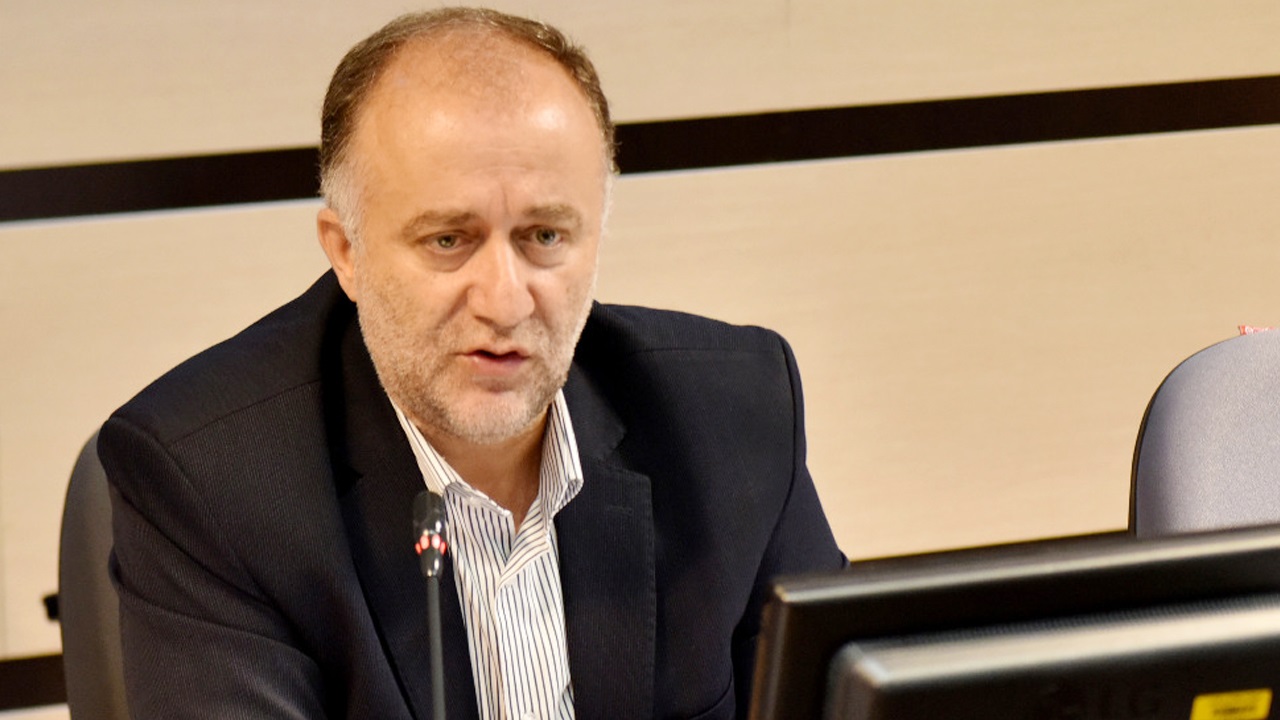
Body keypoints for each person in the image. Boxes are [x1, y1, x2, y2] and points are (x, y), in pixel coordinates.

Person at [100, 7, 843, 719]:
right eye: (448, 241)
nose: (505, 302)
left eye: (544, 236)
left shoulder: (734, 419)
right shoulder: (215, 484)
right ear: (346, 252)